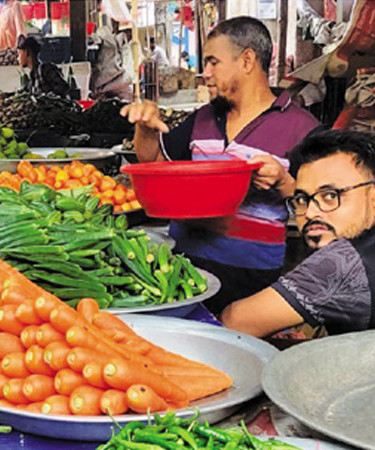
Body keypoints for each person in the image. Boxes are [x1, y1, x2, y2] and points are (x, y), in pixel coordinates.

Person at [122, 17, 322, 314]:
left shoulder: (303, 129)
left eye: (213, 62)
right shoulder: (203, 118)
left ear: (247, 60)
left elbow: (319, 207)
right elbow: (154, 162)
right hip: (182, 270)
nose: (205, 73)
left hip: (250, 279)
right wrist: (145, 128)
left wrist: (284, 182)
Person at [222, 130, 375, 337]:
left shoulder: (341, 263)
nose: (309, 212)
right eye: (302, 199)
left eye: (330, 195)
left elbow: (235, 321)